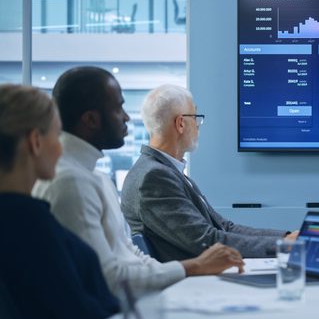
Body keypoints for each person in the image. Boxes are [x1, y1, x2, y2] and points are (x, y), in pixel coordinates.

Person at [32, 67, 245, 297]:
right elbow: (107, 279)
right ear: (91, 119)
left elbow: (129, 253)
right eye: (118, 108)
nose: (126, 117)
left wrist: (186, 270)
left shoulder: (95, 178)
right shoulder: (71, 182)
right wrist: (193, 267)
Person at [0, 84, 118, 319]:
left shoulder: (20, 218)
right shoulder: (29, 228)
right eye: (57, 136)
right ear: (35, 142)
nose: (60, 149)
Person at [121, 84, 295, 261]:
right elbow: (206, 241)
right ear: (181, 123)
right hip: (190, 283)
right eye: (195, 117)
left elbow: (224, 227)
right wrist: (284, 246)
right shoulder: (155, 177)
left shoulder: (166, 171)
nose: (198, 126)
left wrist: (284, 238)